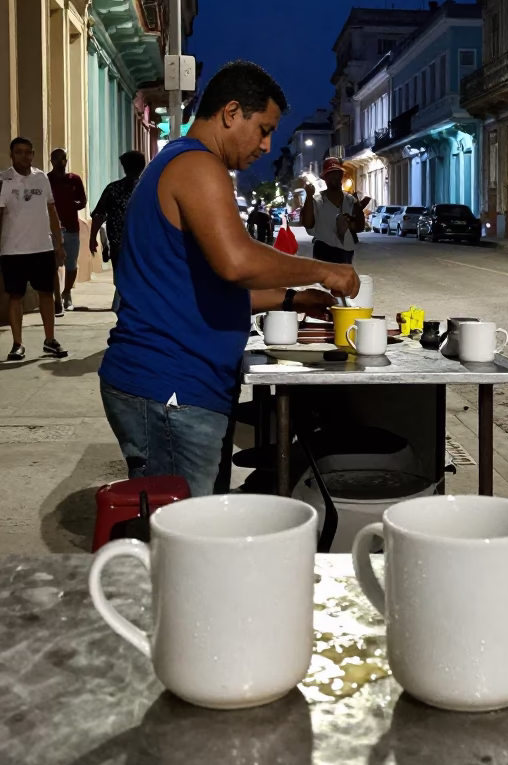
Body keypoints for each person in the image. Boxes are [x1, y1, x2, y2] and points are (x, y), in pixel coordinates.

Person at [98, 59, 359, 496]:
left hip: (176, 383)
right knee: (186, 539)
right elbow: (236, 262)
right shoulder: (198, 166)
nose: (267, 144)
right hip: (170, 385)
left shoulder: (180, 163)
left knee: (196, 526)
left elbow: (204, 288)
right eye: (264, 129)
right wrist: (324, 270)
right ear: (231, 112)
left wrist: (295, 299)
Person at [0, 137, 68, 361]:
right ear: (11, 155)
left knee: (46, 294)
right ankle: (17, 344)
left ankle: (50, 340)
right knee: (15, 296)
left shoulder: (41, 179)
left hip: (42, 247)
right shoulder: (4, 180)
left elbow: (52, 211)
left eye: (28, 152)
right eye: (18, 152)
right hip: (12, 249)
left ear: (33, 154)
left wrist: (58, 243)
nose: (24, 156)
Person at [89, 151, 146, 310]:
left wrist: (92, 237)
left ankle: (122, 302)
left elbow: (99, 214)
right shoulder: (148, 188)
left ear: (124, 168)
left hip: (119, 242)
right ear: (142, 167)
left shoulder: (113, 188)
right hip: (141, 243)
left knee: (121, 274)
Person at [300, 157, 366, 263]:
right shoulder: (316, 201)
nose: (335, 176)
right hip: (323, 252)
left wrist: (351, 224)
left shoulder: (350, 200)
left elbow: (360, 226)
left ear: (341, 175)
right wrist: (308, 196)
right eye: (331, 174)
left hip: (346, 252)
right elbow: (308, 224)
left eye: (337, 172)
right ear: (325, 177)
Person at [47, 147, 87, 315]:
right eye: (57, 159)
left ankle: (67, 293)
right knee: (54, 265)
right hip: (51, 229)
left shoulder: (74, 179)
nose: (61, 162)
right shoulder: (46, 179)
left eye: (64, 158)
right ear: (52, 161)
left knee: (71, 265)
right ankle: (57, 300)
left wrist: (72, 206)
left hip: (71, 228)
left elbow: (83, 201)